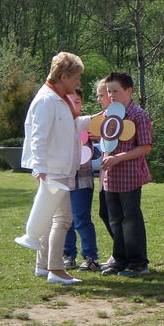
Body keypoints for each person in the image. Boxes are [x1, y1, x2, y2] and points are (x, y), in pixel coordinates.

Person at [16, 51, 86, 285]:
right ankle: (56, 268)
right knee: (63, 219)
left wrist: (95, 119)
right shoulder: (48, 100)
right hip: (53, 169)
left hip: (57, 167)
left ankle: (43, 265)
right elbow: (39, 136)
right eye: (75, 78)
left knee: (48, 217)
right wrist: (40, 168)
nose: (78, 83)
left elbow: (69, 126)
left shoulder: (58, 98)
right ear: (63, 77)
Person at [100, 72, 153, 277]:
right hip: (111, 177)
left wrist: (118, 158)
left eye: (115, 91)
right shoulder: (107, 114)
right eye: (109, 91)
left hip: (129, 176)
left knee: (131, 220)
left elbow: (145, 147)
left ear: (129, 90)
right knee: (115, 220)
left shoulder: (139, 115)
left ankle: (138, 263)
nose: (111, 95)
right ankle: (119, 260)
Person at [61, 86, 101, 273]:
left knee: (81, 219)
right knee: (65, 220)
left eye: (77, 102)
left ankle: (91, 257)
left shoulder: (86, 124)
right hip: (63, 181)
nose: (73, 105)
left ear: (82, 104)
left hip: (82, 182)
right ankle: (68, 254)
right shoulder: (59, 125)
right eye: (69, 102)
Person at [95, 79, 115, 267]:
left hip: (117, 175)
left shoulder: (117, 117)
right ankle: (119, 251)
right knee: (104, 212)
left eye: (102, 95)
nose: (99, 99)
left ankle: (120, 252)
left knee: (112, 215)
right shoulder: (102, 117)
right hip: (105, 173)